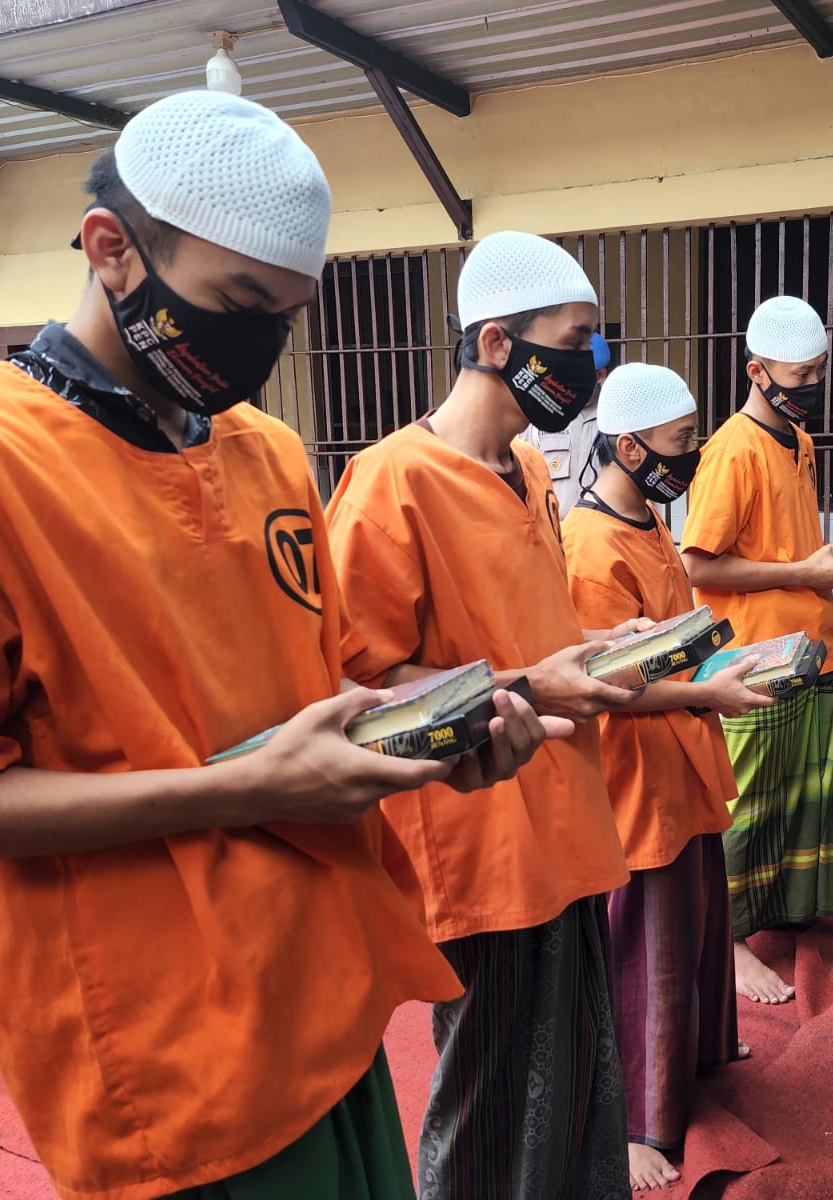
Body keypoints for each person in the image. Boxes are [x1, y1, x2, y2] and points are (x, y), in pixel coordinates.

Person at [0, 91, 561, 1200]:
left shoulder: (267, 455)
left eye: (287, 312)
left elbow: (303, 703)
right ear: (111, 250)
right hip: (158, 1042)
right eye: (235, 302)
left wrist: (431, 739)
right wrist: (241, 791)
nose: (259, 342)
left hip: (321, 978)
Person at [325, 230, 641, 1198]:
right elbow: (361, 694)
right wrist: (534, 685)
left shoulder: (533, 467)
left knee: (584, 1075)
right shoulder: (391, 482)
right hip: (479, 832)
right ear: (498, 343)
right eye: (577, 339)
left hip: (566, 814)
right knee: (492, 1094)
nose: (591, 364)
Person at [561, 363, 770, 1191]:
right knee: (647, 944)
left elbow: (672, 640)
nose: (690, 458)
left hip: (682, 761)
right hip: (636, 774)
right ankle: (640, 1115)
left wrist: (730, 658)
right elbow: (613, 683)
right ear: (628, 445)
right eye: (681, 445)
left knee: (696, 914)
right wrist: (710, 689)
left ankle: (699, 1056)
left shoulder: (648, 518)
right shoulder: (589, 543)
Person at [679, 295, 833, 1006]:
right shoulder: (731, 450)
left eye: (821, 370)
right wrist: (806, 572)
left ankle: (786, 908)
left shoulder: (800, 439)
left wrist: (832, 560)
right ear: (756, 370)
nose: (813, 385)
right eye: (800, 373)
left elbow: (787, 546)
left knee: (802, 796)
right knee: (748, 804)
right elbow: (700, 564)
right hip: (755, 659)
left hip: (812, 649)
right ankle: (724, 944)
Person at [521, 329, 612, 517]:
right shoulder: (542, 417)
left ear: (600, 375)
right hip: (554, 537)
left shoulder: (617, 421)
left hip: (604, 538)